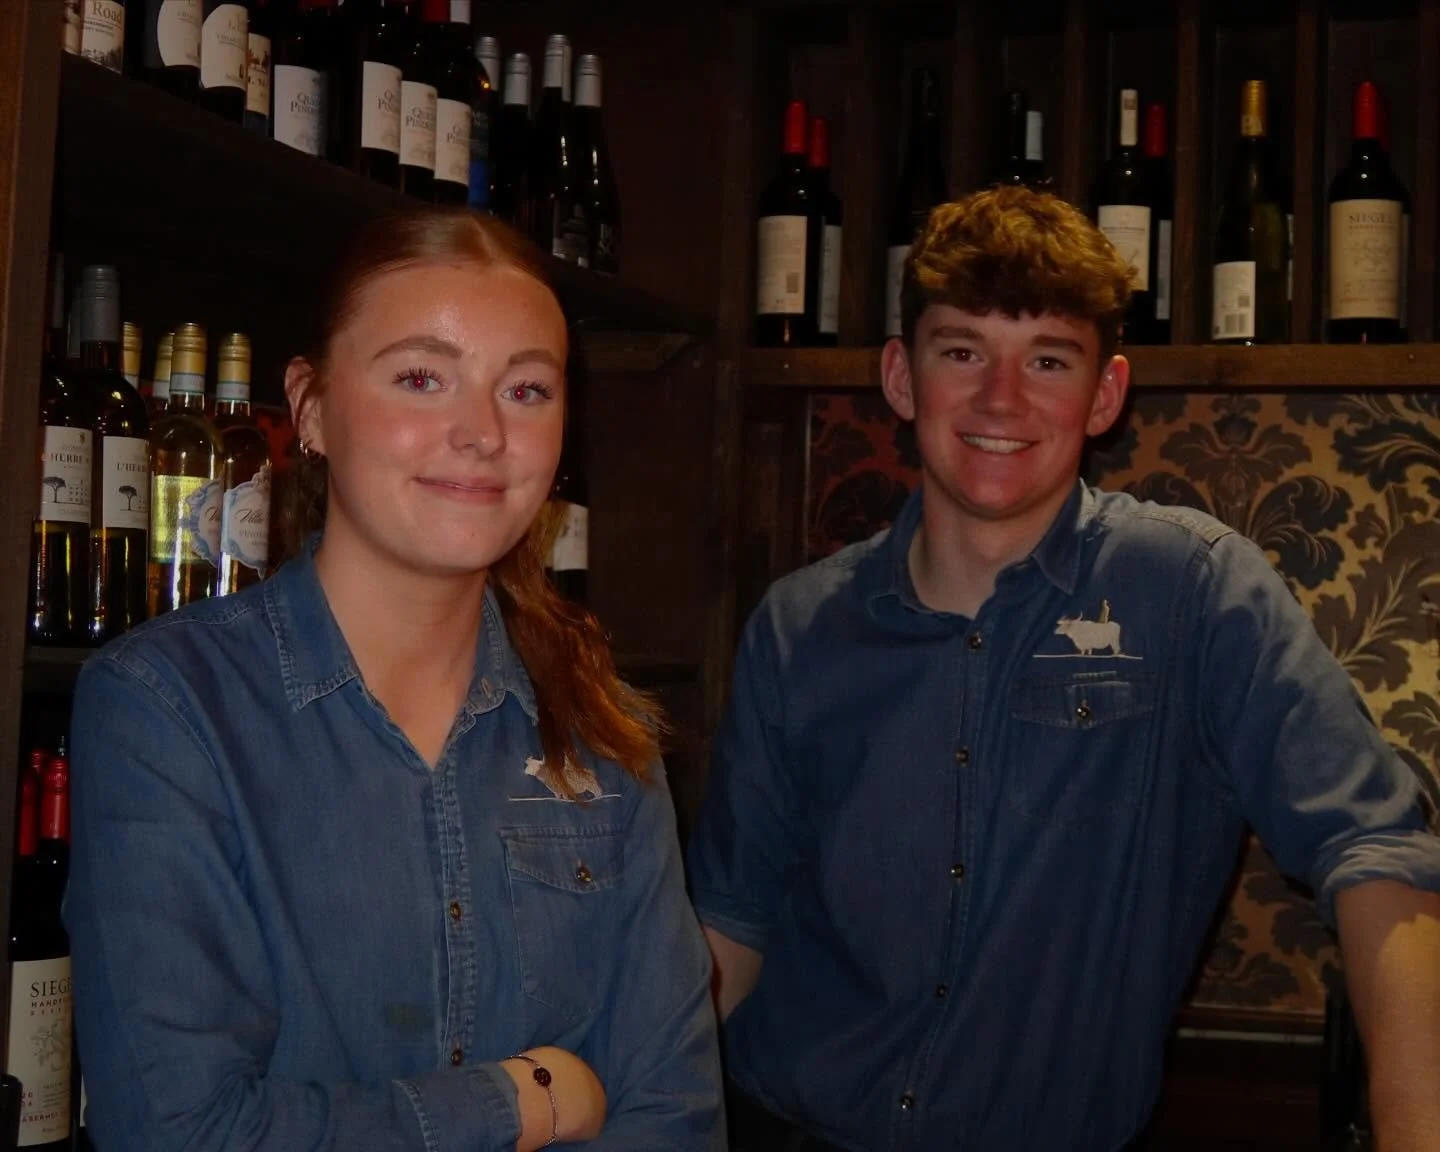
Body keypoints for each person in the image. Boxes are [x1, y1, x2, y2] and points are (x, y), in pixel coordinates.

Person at [687, 186, 1440, 1151]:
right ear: (902, 376)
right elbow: (732, 925)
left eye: (1048, 359)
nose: (1002, 399)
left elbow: (1377, 851)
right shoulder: (797, 624)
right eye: (962, 351)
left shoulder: (1194, 592)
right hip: (781, 1126)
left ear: (1106, 395)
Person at [66, 209, 725, 1152]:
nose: (483, 433)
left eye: (527, 389)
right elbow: (180, 1130)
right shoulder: (169, 708)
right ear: (313, 407)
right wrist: (526, 1098)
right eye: (422, 378)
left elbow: (674, 1116)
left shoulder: (599, 724)